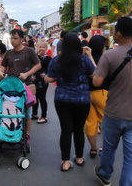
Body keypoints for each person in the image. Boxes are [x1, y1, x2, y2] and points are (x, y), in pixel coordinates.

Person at [93, 17, 132, 186]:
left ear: (119, 34)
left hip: (113, 113)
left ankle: (105, 175)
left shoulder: (109, 55)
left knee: (109, 148)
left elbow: (96, 82)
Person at [44, 33, 96, 171]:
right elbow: (94, 75)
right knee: (79, 129)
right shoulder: (84, 60)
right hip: (82, 100)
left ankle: (65, 162)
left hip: (62, 100)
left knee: (66, 130)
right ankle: (79, 158)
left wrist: (47, 77)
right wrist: (89, 56)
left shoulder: (57, 60)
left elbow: (49, 78)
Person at [0, 29, 41, 145]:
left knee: (27, 112)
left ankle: (27, 135)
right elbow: (2, 67)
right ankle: (10, 132)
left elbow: (38, 65)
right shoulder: (8, 53)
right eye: (11, 38)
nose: (13, 40)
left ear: (22, 39)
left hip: (26, 86)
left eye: (15, 38)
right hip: (11, 88)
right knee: (11, 112)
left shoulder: (29, 51)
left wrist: (27, 74)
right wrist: (1, 73)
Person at [84, 35, 107, 158]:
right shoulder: (105, 59)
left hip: (87, 94)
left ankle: (93, 148)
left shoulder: (84, 58)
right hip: (102, 93)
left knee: (90, 122)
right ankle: (104, 147)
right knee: (105, 121)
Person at [32, 41, 51, 124]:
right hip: (34, 80)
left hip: (43, 81)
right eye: (40, 47)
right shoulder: (34, 57)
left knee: (42, 98)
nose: (41, 49)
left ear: (46, 48)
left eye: (43, 47)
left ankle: (44, 116)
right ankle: (35, 114)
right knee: (34, 97)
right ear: (37, 47)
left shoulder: (48, 58)